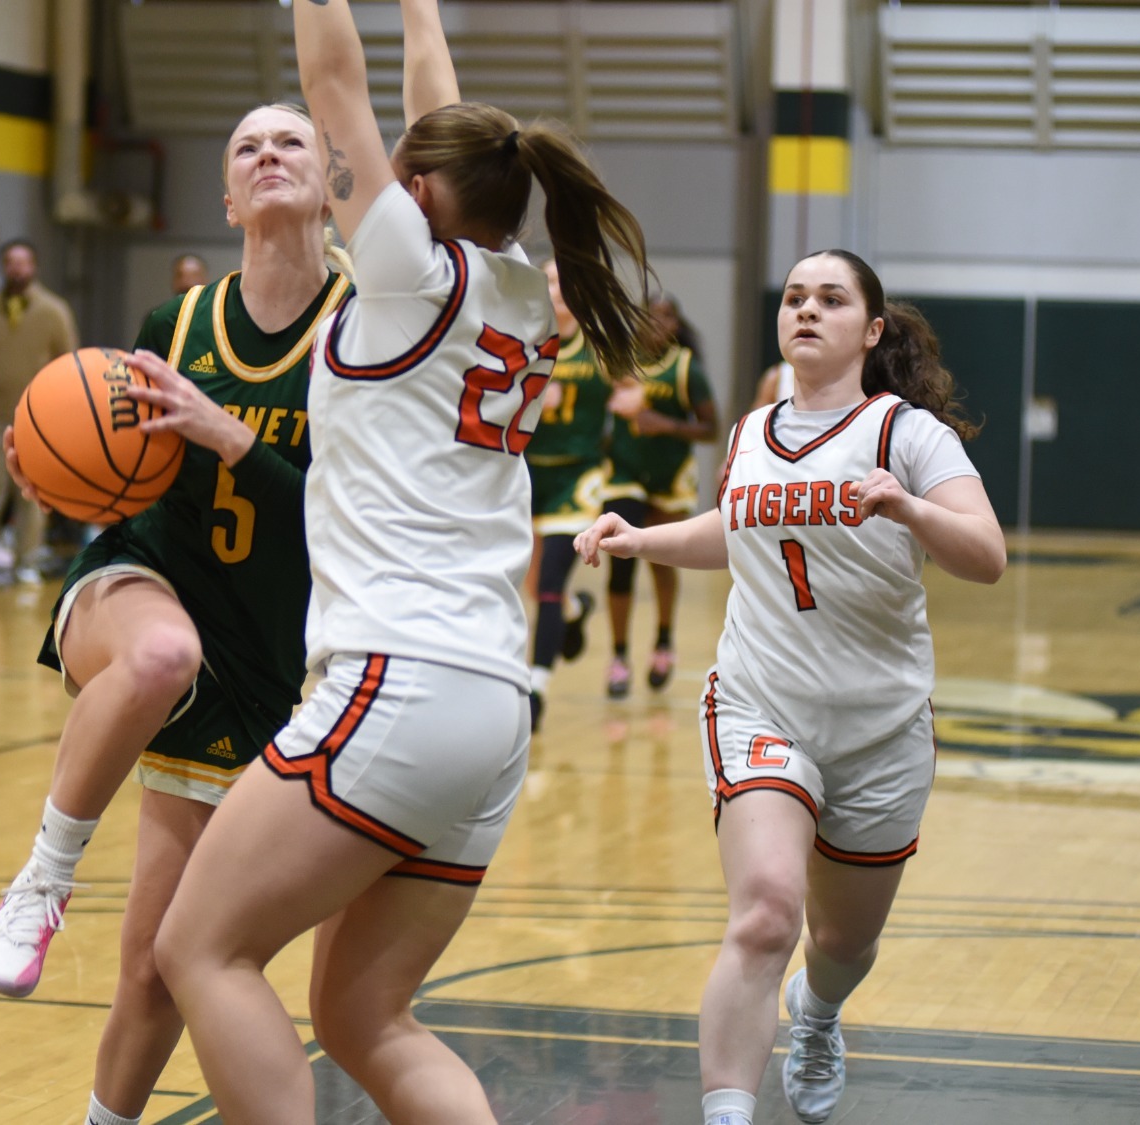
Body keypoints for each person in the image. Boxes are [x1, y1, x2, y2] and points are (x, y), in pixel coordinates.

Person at [151, 2, 654, 1120]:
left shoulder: (410, 273)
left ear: (417, 195)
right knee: (361, 1018)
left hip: (396, 679)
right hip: (487, 707)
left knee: (199, 947)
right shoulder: (513, 284)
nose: (347, 166)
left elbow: (334, 80)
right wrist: (419, 11)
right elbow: (432, 114)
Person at [0, 102, 351, 1125]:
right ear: (226, 198)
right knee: (155, 656)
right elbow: (126, 485)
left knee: (159, 964)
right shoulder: (171, 326)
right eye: (245, 147)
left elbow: (356, 522)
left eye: (290, 142)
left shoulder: (367, 333)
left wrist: (231, 438)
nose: (267, 155)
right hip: (152, 590)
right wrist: (58, 475)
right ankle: (38, 886)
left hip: (278, 658)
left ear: (333, 182)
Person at [575, 249, 1005, 1125]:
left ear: (871, 329)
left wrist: (908, 507)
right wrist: (639, 538)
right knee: (768, 911)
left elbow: (987, 556)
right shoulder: (748, 432)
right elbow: (731, 530)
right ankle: (728, 1112)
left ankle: (818, 1012)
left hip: (880, 726)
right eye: (796, 298)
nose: (807, 310)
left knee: (843, 942)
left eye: (832, 299)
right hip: (760, 704)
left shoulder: (905, 434)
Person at [597, 291, 719, 697]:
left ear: (675, 325)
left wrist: (665, 425)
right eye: (649, 316)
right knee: (619, 563)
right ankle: (618, 656)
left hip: (670, 478)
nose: (656, 324)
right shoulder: (620, 365)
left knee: (661, 561)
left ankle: (664, 641)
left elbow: (711, 429)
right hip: (625, 474)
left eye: (665, 317)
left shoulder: (686, 370)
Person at [521, 259, 613, 731]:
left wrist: (640, 407)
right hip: (526, 476)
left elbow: (639, 396)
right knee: (536, 588)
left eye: (564, 280)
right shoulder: (522, 343)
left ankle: (535, 688)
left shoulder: (600, 350)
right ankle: (576, 612)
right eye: (549, 280)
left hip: (577, 481)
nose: (555, 289)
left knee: (550, 582)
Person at [0, 239, 77, 587]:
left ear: (34, 267)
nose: (17, 268)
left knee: (35, 491)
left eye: (23, 262)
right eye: (10, 262)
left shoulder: (55, 311)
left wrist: (70, 412)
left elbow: (71, 364)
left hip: (40, 417)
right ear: (3, 266)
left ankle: (26, 560)